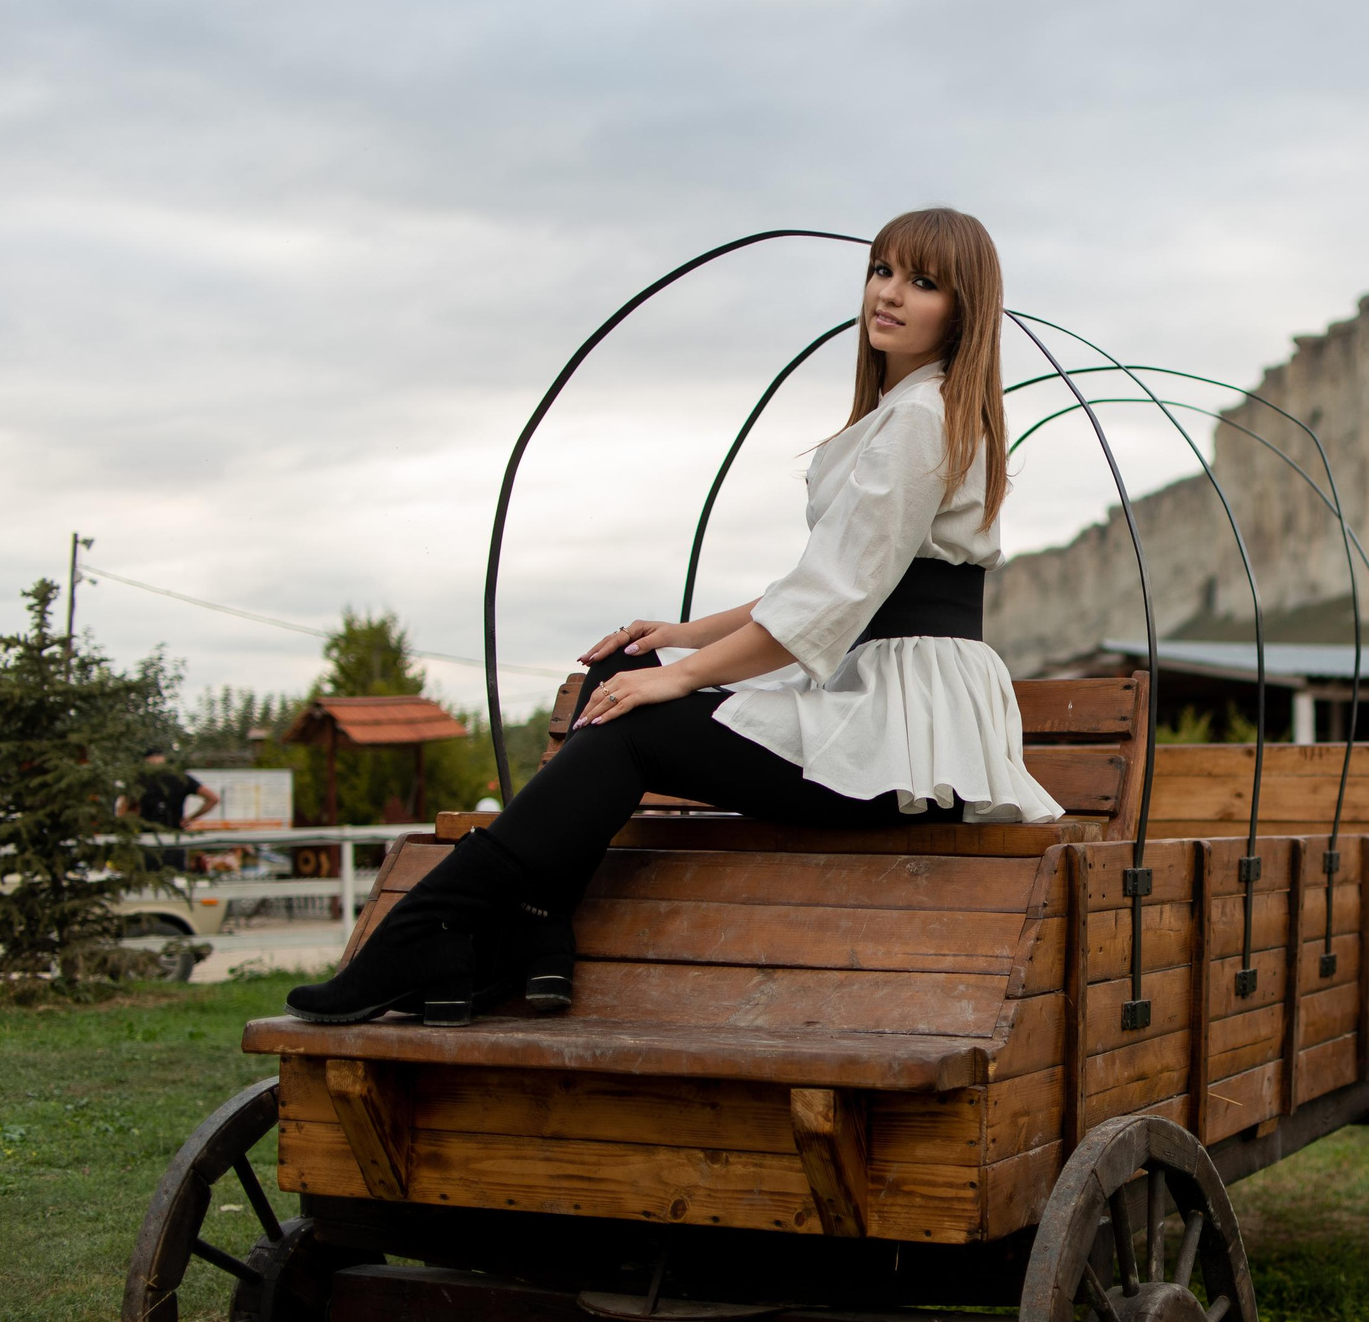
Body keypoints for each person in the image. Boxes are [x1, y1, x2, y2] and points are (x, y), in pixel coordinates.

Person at [288, 207, 1063, 1027]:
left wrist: (686, 678)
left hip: (903, 751)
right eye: (882, 270)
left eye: (923, 281)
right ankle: (534, 930)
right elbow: (829, 581)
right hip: (880, 713)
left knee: (631, 723)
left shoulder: (920, 421)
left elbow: (834, 595)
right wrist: (680, 639)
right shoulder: (912, 413)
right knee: (620, 672)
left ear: (963, 309)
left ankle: (434, 928)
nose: (890, 293)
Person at [121, 750, 218, 871]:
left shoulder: (140, 780)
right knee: (176, 879)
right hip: (175, 839)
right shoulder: (181, 778)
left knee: (148, 882)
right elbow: (213, 799)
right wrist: (190, 819)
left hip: (148, 840)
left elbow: (124, 807)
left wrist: (126, 829)